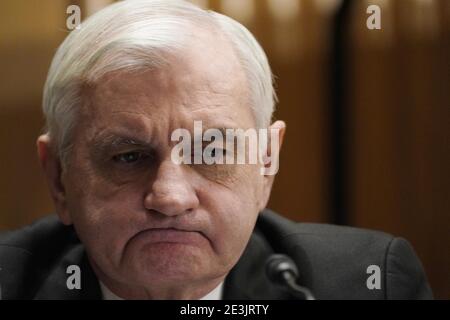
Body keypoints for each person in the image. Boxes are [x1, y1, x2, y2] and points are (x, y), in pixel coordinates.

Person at [0, 0, 432, 300]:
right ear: (58, 176)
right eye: (128, 156)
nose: (169, 197)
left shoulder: (369, 284)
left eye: (210, 151)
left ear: (266, 163)